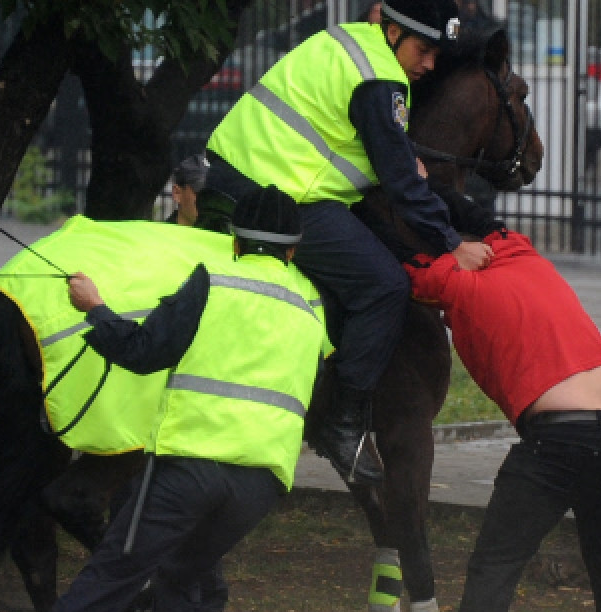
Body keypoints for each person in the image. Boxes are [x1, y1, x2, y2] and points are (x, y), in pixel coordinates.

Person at [16, 185, 328, 612]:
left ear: (235, 241)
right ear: (293, 250)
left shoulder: (213, 281)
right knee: (187, 570)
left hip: (188, 468)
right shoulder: (311, 307)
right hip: (261, 484)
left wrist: (94, 308)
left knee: (119, 568)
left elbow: (143, 351)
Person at [203, 0, 492, 487]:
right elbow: (401, 185)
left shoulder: (347, 44)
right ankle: (342, 424)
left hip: (246, 174)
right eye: (423, 50)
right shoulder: (382, 79)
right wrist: (450, 244)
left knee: (378, 248)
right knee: (384, 286)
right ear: (395, 32)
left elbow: (342, 135)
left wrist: (399, 154)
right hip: (277, 196)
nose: (430, 64)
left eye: (438, 54)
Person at [402, 218, 601, 612]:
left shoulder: (455, 284)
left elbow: (408, 275)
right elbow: (503, 234)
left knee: (494, 568)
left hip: (560, 436)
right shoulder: (524, 257)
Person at [168, 154, 210, 226]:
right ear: (177, 193)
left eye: (211, 195)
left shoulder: (226, 235)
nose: (208, 201)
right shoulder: (159, 235)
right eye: (200, 193)